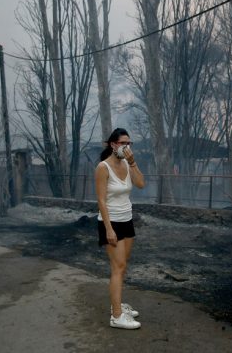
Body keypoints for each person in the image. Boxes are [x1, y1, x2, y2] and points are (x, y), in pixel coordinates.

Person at [95, 128, 145, 329]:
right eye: (123, 143)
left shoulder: (126, 162)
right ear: (113, 144)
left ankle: (117, 304)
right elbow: (100, 200)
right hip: (111, 222)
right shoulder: (102, 167)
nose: (127, 147)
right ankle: (116, 316)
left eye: (129, 144)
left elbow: (141, 183)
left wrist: (132, 162)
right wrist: (108, 229)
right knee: (118, 267)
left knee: (123, 265)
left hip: (127, 219)